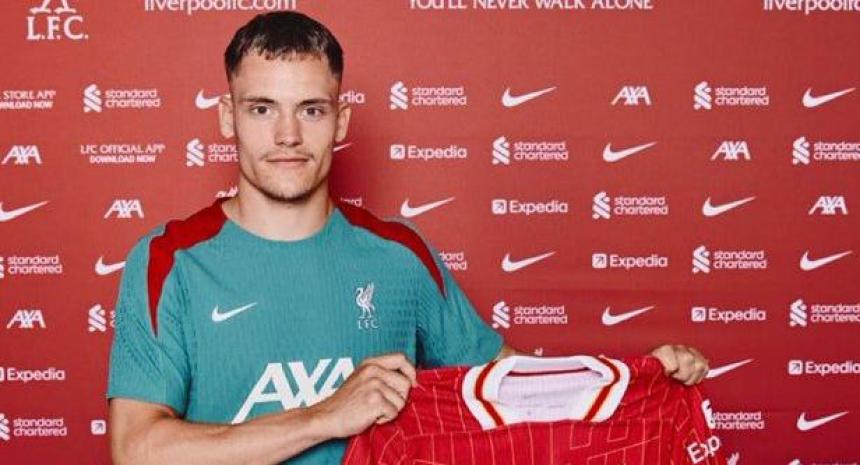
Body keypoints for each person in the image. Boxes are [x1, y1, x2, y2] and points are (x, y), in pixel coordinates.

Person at [107, 11, 709, 465]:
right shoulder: (170, 262)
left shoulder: (399, 255)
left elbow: (511, 389)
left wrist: (636, 380)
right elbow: (137, 449)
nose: (288, 134)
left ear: (340, 121)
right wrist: (325, 417)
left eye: (311, 110)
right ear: (227, 117)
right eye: (262, 109)